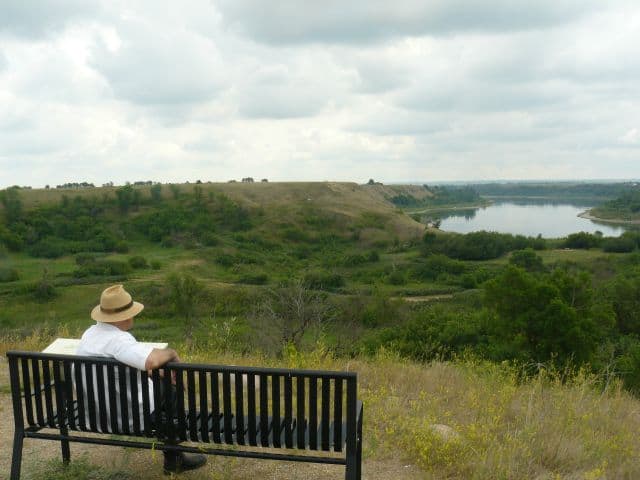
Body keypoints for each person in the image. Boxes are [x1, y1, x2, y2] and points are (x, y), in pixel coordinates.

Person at [76, 284, 207, 474]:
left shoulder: (89, 335)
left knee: (160, 381)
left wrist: (153, 371)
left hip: (97, 413)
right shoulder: (119, 340)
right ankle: (174, 456)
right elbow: (151, 360)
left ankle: (169, 437)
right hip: (129, 417)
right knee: (171, 388)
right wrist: (172, 353)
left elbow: (120, 367)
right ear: (125, 316)